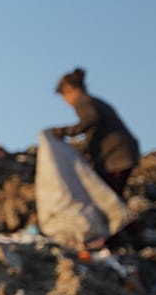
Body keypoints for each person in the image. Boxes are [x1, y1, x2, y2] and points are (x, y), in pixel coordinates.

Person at [50, 68, 140, 198]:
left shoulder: (82, 101)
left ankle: (126, 218)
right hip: (121, 153)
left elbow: (90, 120)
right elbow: (94, 131)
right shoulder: (92, 101)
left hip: (117, 157)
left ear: (69, 90)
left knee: (109, 197)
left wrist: (64, 132)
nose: (66, 102)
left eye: (64, 97)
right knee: (111, 195)